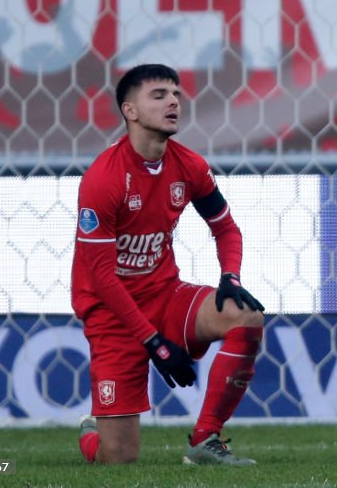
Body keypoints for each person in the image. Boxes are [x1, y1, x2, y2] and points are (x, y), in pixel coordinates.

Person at [71, 64, 266, 465]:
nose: (173, 101)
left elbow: (226, 228)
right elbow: (103, 278)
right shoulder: (102, 180)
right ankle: (94, 432)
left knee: (245, 317)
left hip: (165, 294)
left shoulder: (189, 165)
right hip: (113, 314)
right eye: (158, 95)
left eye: (175, 93)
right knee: (118, 459)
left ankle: (205, 440)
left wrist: (230, 276)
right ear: (131, 111)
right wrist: (154, 343)